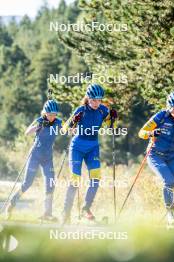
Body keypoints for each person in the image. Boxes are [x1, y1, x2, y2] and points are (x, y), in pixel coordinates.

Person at [61, 83, 118, 224]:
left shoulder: (103, 110)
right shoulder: (81, 109)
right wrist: (73, 122)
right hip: (78, 147)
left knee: (96, 178)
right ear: (88, 98)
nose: (96, 103)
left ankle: (85, 208)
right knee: (75, 179)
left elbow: (111, 129)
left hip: (93, 147)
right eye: (93, 100)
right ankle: (66, 212)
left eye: (99, 100)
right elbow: (64, 129)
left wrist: (113, 120)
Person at [6, 100, 62, 221]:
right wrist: (39, 126)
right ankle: (12, 202)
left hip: (48, 158)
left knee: (50, 183)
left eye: (54, 114)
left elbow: (67, 129)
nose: (52, 116)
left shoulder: (58, 122)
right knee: (27, 183)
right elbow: (27, 132)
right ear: (45, 113)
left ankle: (47, 213)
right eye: (50, 114)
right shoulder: (40, 120)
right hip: (35, 155)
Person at [139, 91, 174, 225]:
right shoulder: (161, 116)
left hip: (173, 157)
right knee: (169, 181)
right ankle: (170, 213)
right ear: (170, 106)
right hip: (155, 155)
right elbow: (141, 133)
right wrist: (151, 133)